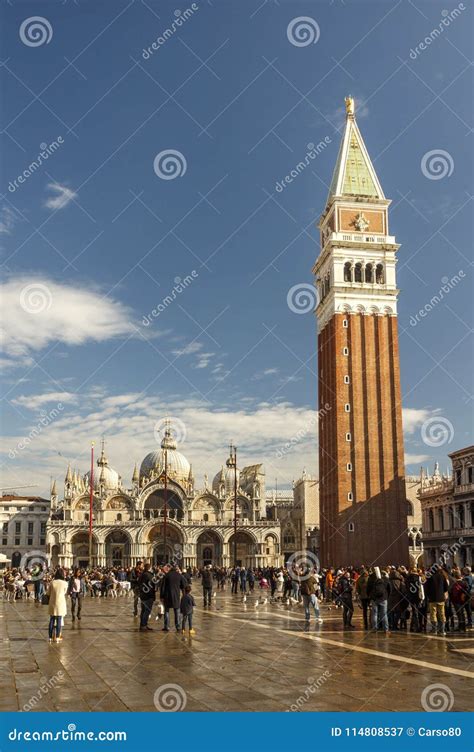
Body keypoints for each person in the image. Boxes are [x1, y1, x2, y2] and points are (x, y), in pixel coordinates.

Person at [160, 564, 187, 632]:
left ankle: (167, 627)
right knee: (177, 611)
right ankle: (178, 627)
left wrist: (161, 596)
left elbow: (162, 587)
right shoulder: (179, 575)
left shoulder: (166, 575)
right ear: (176, 569)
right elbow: (184, 585)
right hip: (176, 596)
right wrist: (184, 594)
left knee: (166, 611)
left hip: (167, 596)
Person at [424, 567, 449, 635]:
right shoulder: (442, 576)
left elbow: (426, 588)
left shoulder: (429, 577)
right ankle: (442, 630)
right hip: (441, 598)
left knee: (433, 614)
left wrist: (428, 595)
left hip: (432, 598)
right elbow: (446, 588)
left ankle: (434, 630)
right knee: (442, 614)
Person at [47, 568, 68, 644]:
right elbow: (65, 592)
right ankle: (58, 637)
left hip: (52, 602)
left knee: (52, 620)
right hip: (61, 603)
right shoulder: (65, 583)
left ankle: (50, 637)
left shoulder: (52, 582)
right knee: (59, 620)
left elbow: (48, 593)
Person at [367, 566, 390, 634]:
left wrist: (370, 596)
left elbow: (368, 589)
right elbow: (389, 588)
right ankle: (386, 629)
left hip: (374, 599)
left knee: (374, 614)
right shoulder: (385, 579)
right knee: (384, 614)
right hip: (383, 598)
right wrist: (386, 596)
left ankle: (374, 629)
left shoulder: (371, 579)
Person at [138, 562, 155, 632]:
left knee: (143, 610)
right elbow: (152, 585)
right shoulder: (149, 575)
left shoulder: (142, 575)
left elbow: (139, 583)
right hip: (148, 595)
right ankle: (144, 625)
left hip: (143, 595)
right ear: (149, 568)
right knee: (147, 611)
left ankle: (142, 624)